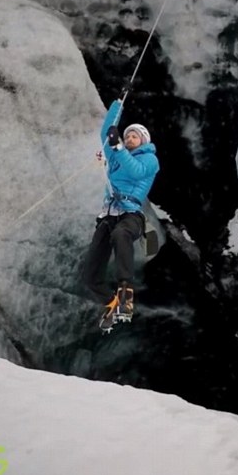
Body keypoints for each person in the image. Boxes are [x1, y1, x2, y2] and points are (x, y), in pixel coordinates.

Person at [82, 98, 159, 323]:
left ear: (144, 140)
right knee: (89, 276)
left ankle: (125, 290)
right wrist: (118, 103)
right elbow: (107, 131)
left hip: (131, 214)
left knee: (121, 234)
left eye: (134, 136)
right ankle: (113, 304)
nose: (129, 138)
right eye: (127, 136)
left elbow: (136, 172)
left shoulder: (150, 159)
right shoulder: (117, 156)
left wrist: (118, 147)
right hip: (108, 216)